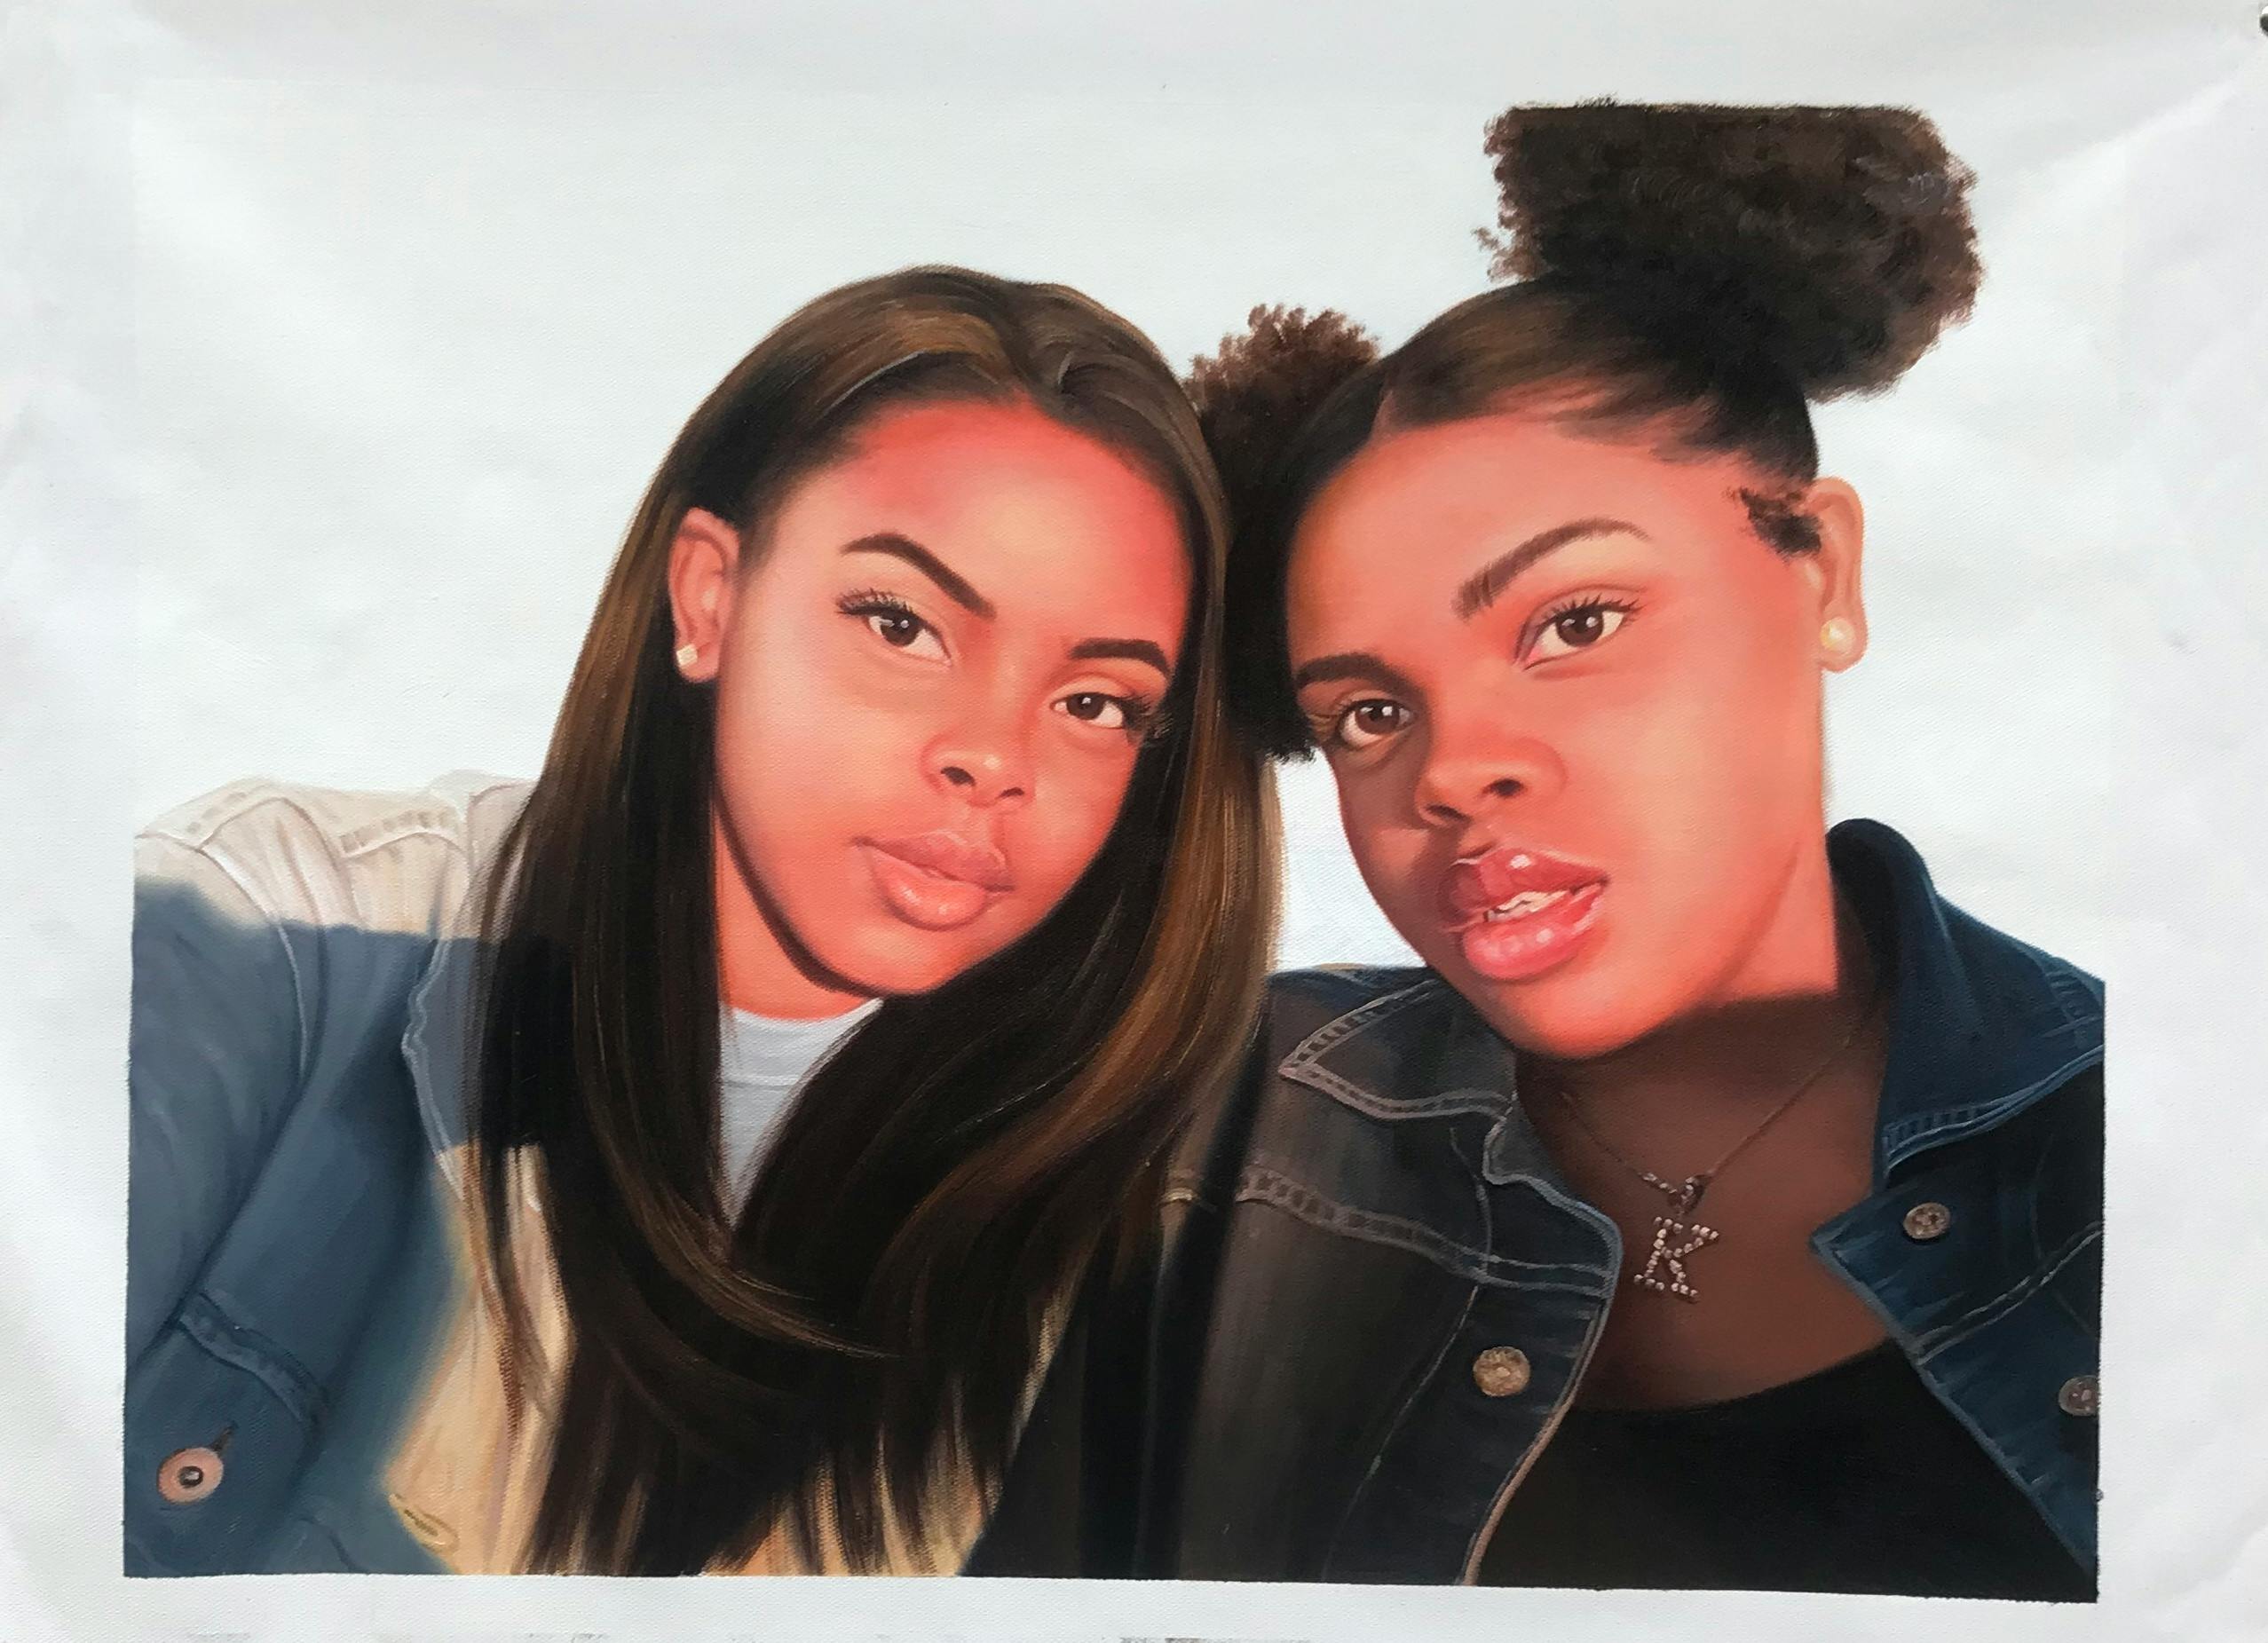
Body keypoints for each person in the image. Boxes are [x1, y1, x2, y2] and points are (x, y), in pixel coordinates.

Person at [971, 103, 2102, 1600]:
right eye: (1371, 712)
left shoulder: (2157, 1138)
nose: (1451, 772)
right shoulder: (1227, 1125)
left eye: (1574, 623)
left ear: (1821, 569)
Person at [125, 266, 1277, 1576]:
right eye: (902, 625)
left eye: (1096, 702)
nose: (992, 756)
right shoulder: (276, 930)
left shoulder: (1169, 1204)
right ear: (707, 600)